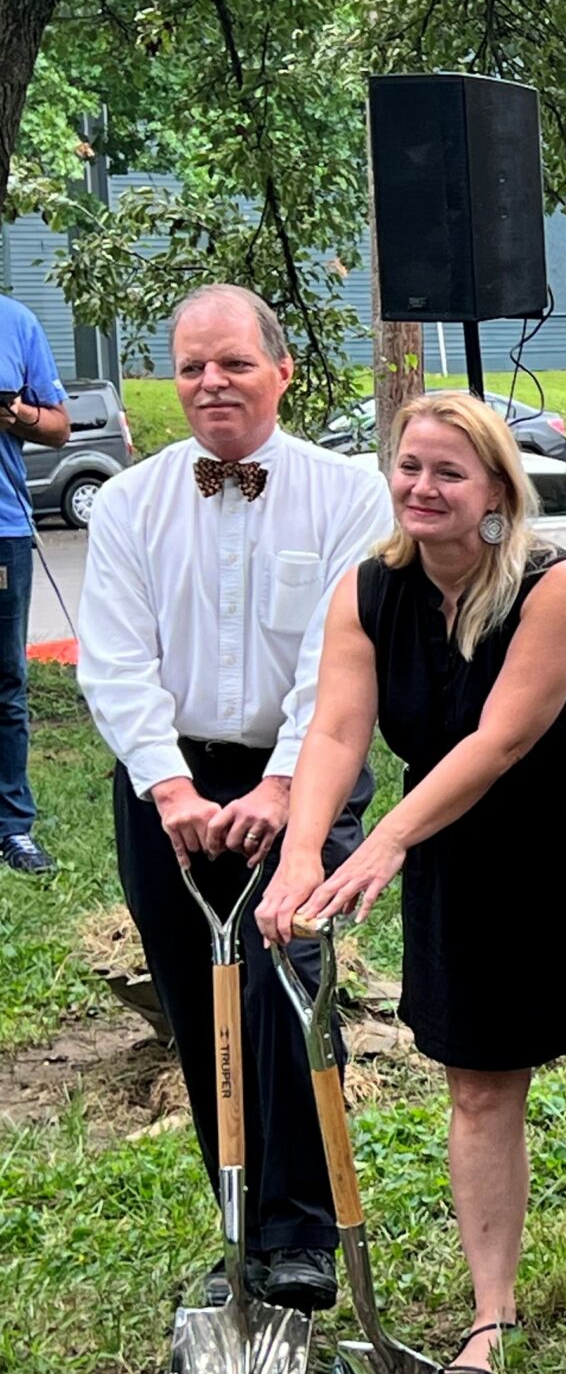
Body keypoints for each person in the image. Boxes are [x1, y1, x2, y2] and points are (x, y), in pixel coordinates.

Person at [255, 392, 566, 1374]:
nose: (422, 487)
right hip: (462, 854)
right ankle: (491, 1317)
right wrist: (302, 850)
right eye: (409, 466)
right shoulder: (368, 589)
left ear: (497, 491)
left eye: (448, 472)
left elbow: (499, 741)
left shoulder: (556, 584)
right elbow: (333, 732)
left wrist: (387, 844)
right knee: (479, 1080)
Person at [76, 284, 392, 1312]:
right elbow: (115, 660)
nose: (212, 383)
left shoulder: (348, 495)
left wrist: (284, 783)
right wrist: (168, 785)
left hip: (304, 772)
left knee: (280, 987)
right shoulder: (129, 502)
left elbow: (338, 665)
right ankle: (240, 1225)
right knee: (194, 995)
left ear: (282, 371)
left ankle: (301, 1231)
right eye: (192, 367)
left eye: (235, 364)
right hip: (166, 786)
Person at [0, 290, 71, 875]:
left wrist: (17, 414)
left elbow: (58, 428)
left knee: (5, 681)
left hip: (3, 530)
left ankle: (13, 827)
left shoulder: (17, 321)